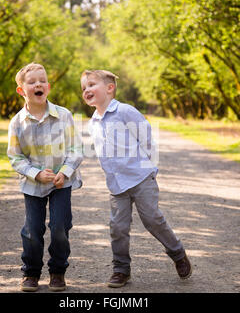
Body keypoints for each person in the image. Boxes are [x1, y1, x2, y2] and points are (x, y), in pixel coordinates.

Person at [80, 69, 192, 288]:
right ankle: (121, 269)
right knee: (118, 227)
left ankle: (177, 253)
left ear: (109, 88)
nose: (87, 90)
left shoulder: (124, 112)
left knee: (152, 219)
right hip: (116, 185)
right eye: (84, 88)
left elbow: (147, 139)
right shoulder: (93, 122)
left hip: (141, 179)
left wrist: (150, 170)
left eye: (92, 85)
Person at [8, 63, 82, 292]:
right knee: (32, 229)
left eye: (42, 81)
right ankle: (30, 273)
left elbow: (76, 149)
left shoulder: (64, 116)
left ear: (48, 87)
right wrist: (36, 173)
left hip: (62, 182)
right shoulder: (17, 123)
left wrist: (65, 172)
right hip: (33, 185)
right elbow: (15, 157)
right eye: (32, 82)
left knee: (60, 226)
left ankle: (58, 271)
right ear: (22, 91)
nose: (38, 84)